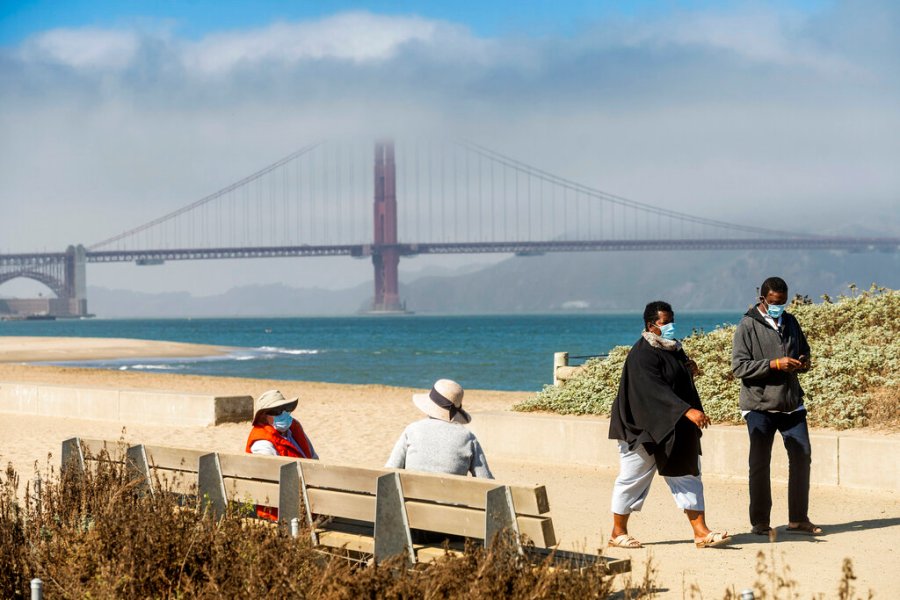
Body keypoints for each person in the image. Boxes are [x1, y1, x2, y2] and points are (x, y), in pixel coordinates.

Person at [607, 300, 730, 549]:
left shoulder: (673, 348)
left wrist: (689, 370)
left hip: (673, 426)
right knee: (633, 479)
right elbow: (653, 390)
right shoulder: (642, 354)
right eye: (666, 322)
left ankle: (701, 533)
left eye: (672, 320)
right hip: (641, 428)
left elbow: (674, 378)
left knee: (687, 474)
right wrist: (687, 410)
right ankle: (617, 533)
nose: (671, 326)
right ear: (651, 326)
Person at [732, 276, 822, 536]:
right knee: (760, 463)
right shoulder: (747, 325)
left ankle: (798, 519)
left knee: (802, 457)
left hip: (792, 405)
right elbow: (739, 367)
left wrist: (803, 362)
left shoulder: (791, 321)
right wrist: (774, 364)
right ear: (763, 299)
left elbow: (804, 350)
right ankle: (760, 522)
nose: (779, 307)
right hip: (759, 407)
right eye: (774, 303)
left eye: (783, 302)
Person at [385, 378, 493, 479]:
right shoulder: (467, 437)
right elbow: (485, 479)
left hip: (411, 498)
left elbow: (390, 470)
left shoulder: (412, 430)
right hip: (453, 499)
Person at [245, 389, 318, 520]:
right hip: (278, 511)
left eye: (286, 408)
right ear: (263, 417)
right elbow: (272, 481)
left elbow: (314, 459)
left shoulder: (294, 429)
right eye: (277, 411)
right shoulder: (261, 443)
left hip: (307, 503)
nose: (283, 413)